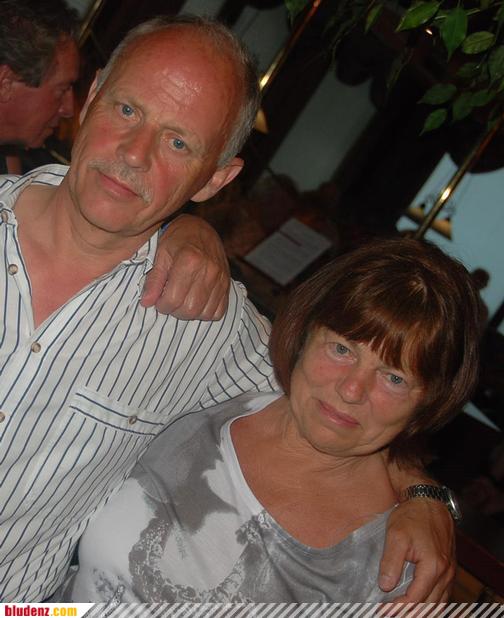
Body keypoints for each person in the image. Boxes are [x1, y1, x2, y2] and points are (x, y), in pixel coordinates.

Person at [0, 15, 454, 602]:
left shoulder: (209, 325)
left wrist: (425, 498)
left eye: (178, 143)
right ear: (90, 99)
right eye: (128, 110)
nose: (134, 153)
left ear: (215, 179)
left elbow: (344, 400)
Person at [57, 237, 481, 603]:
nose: (352, 390)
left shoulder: (391, 566)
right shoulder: (213, 383)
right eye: (341, 349)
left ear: (430, 400)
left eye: (393, 378)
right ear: (306, 331)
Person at [0, 0, 234, 320]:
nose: (68, 107)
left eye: (177, 143)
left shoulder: (21, 160)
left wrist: (187, 229)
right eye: (127, 110)